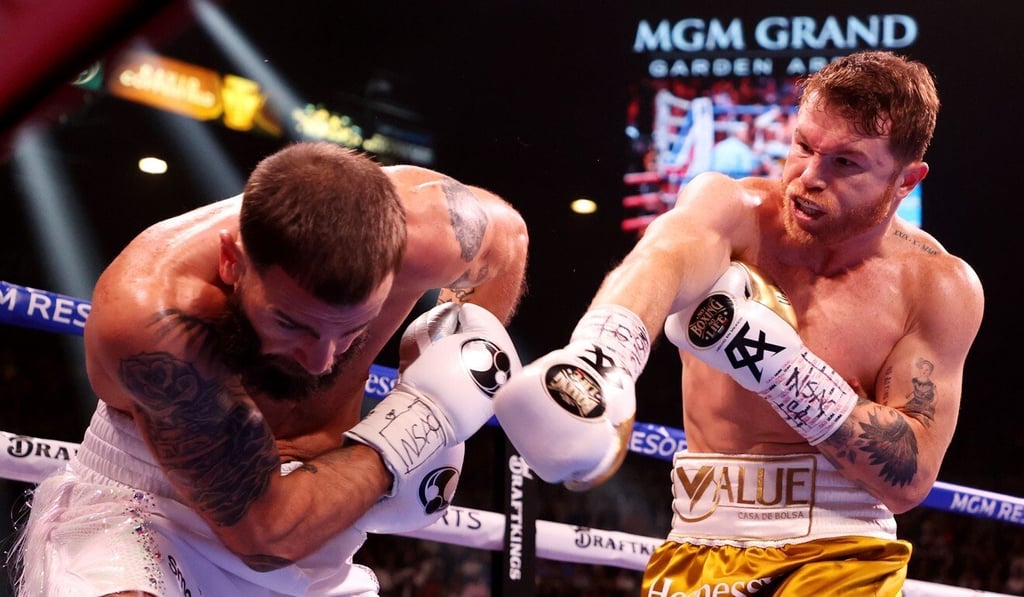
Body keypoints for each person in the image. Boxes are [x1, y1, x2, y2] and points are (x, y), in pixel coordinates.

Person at [493, 50, 984, 595]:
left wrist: (782, 369)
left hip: (845, 552)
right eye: (803, 146)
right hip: (699, 544)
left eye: (846, 163)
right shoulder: (732, 211)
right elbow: (661, 259)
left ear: (905, 181)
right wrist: (602, 357)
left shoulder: (936, 286)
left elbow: (909, 479)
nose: (808, 178)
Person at [10, 141, 529, 596]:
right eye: (293, 325)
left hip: (313, 528)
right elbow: (266, 533)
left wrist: (460, 348)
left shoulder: (435, 235)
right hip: (148, 509)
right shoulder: (156, 315)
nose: (322, 359)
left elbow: (510, 241)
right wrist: (418, 424)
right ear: (232, 261)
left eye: (352, 329)